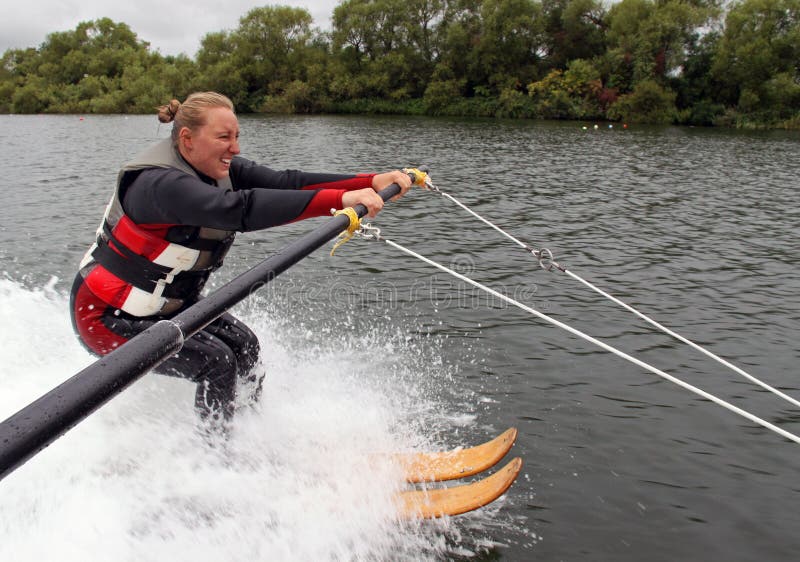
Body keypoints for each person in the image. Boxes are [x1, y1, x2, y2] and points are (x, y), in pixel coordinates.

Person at [70, 91, 419, 433]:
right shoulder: (157, 183)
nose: (235, 149)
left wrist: (370, 181)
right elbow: (239, 210)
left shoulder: (219, 168)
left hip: (166, 306)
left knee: (245, 346)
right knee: (217, 362)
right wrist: (341, 198)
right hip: (104, 318)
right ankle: (217, 461)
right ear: (187, 139)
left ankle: (251, 435)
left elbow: (287, 182)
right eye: (224, 137)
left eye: (236, 137)